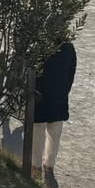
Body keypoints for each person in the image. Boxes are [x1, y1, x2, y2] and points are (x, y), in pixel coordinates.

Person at [32, 39, 77, 179]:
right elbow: (71, 73)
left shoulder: (40, 44)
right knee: (55, 134)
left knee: (37, 134)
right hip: (59, 99)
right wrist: (64, 91)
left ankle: (36, 166)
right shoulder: (68, 48)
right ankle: (49, 164)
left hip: (41, 99)